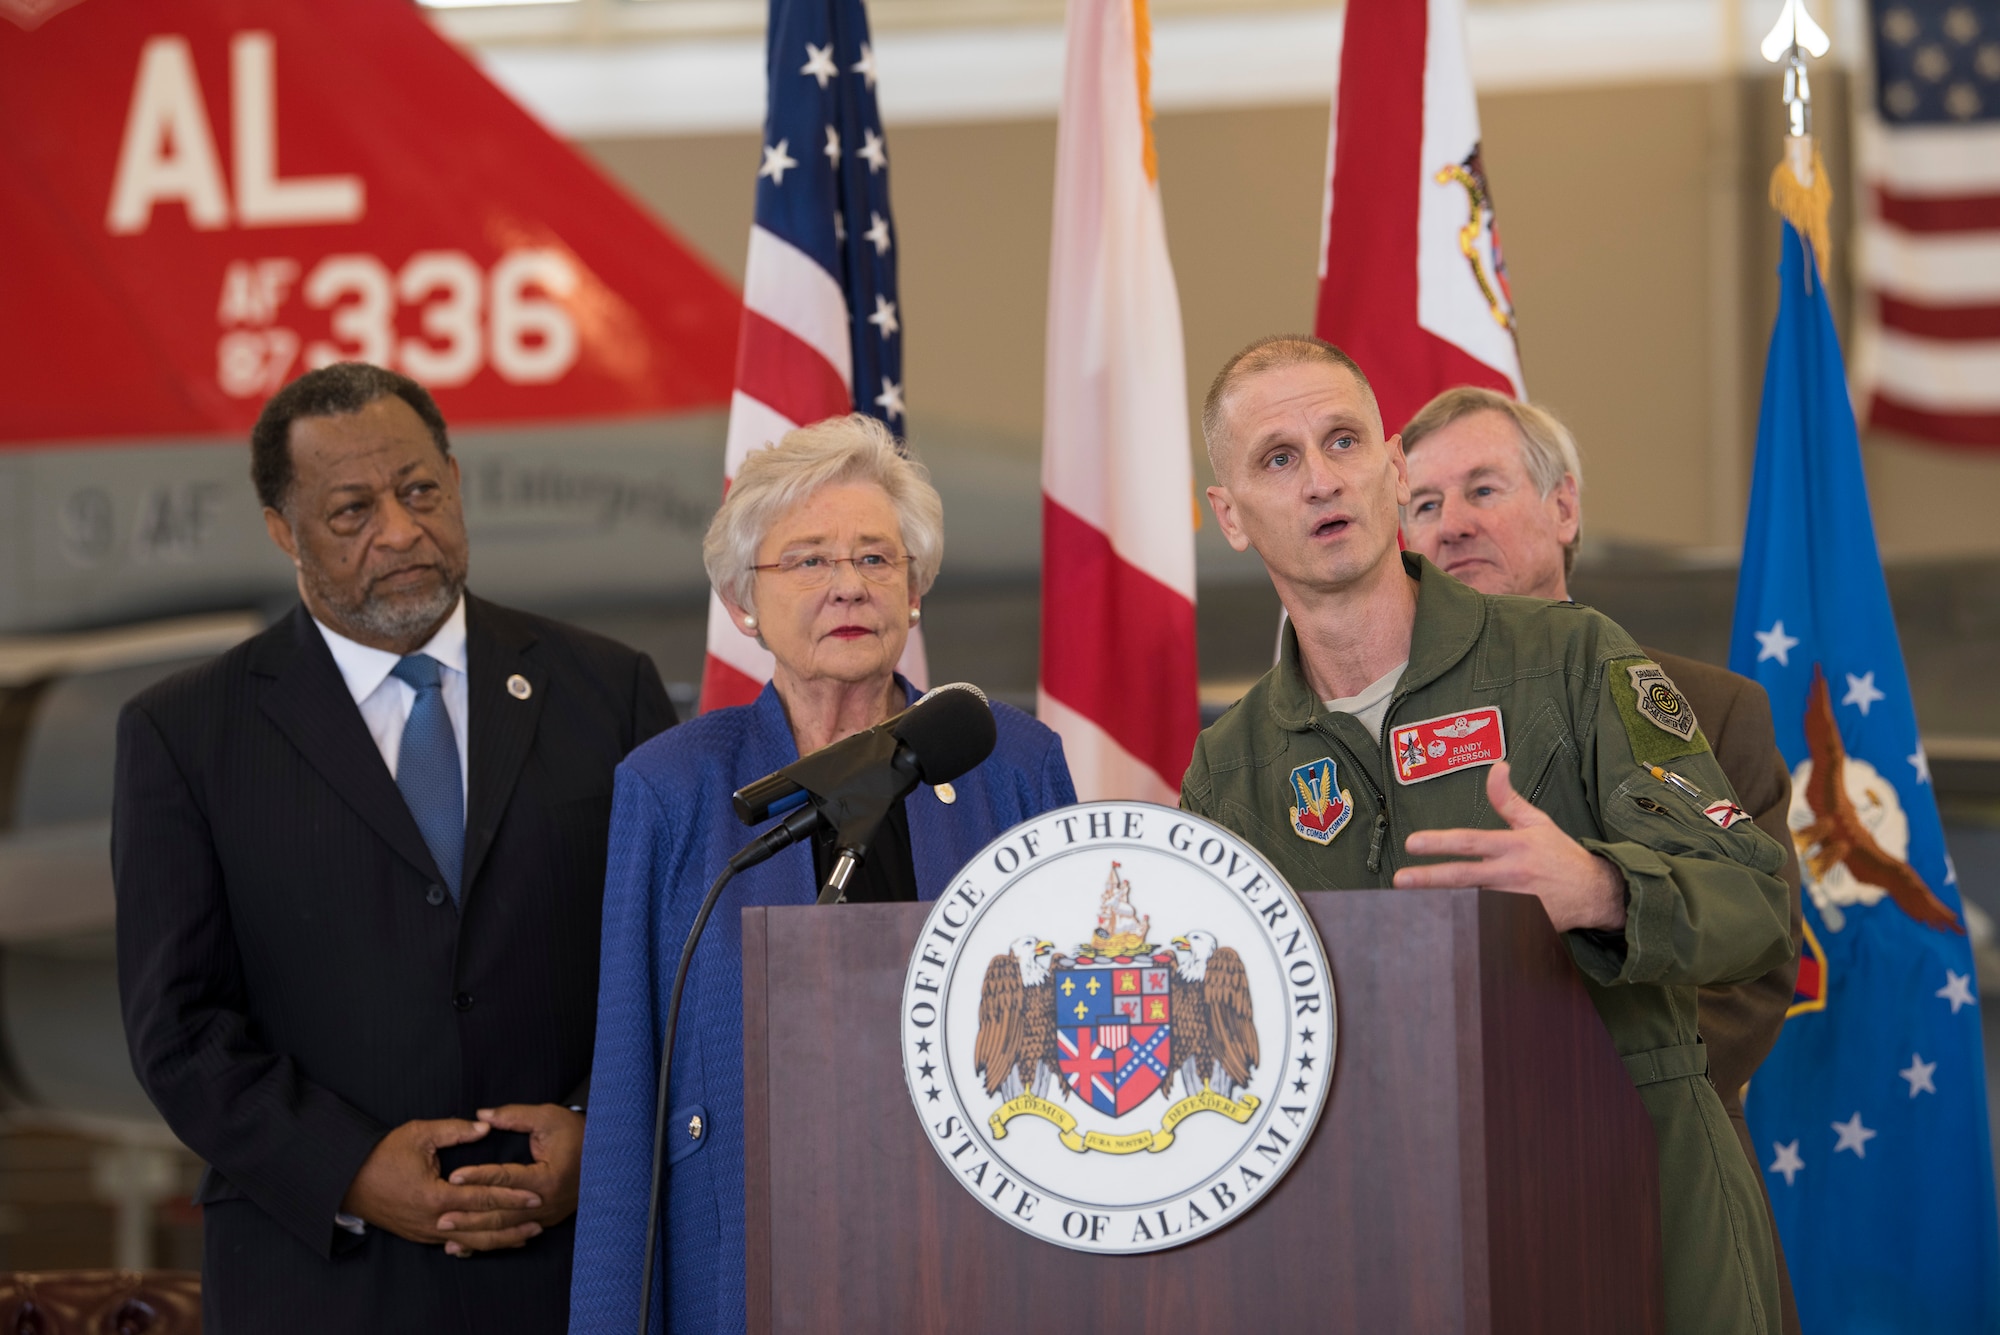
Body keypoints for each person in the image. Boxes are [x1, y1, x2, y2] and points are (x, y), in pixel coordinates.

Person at [1183, 336, 1793, 1335]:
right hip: (1386, 1244)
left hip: (1634, 1215)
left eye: (1340, 441)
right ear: (1229, 517)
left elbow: (1752, 905)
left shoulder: (1570, 658)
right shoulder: (1231, 765)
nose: (1319, 480)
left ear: (1387, 470)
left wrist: (1599, 887)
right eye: (1276, 459)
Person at [114, 363, 675, 1334]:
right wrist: (350, 1169)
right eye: (351, 510)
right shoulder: (186, 734)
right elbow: (180, 1026)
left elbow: (674, 958)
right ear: (284, 531)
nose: (403, 531)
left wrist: (598, 1133)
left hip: (580, 1274)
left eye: (419, 492)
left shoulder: (606, 688)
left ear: (456, 481)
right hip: (322, 1278)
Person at [568, 414, 1075, 1335]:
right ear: (742, 604)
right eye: (808, 560)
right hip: (749, 1257)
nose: (848, 583)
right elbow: (627, 1088)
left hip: (980, 1252)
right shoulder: (671, 786)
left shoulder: (1012, 760)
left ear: (914, 590)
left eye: (877, 559)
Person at [1400, 385, 1804, 1335]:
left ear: (1565, 507)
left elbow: (1754, 969)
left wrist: (1565, 1099)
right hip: (1431, 1210)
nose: (1452, 525)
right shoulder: (1372, 735)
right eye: (1422, 504)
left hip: (1659, 1191)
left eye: (1483, 489)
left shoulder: (1709, 708)